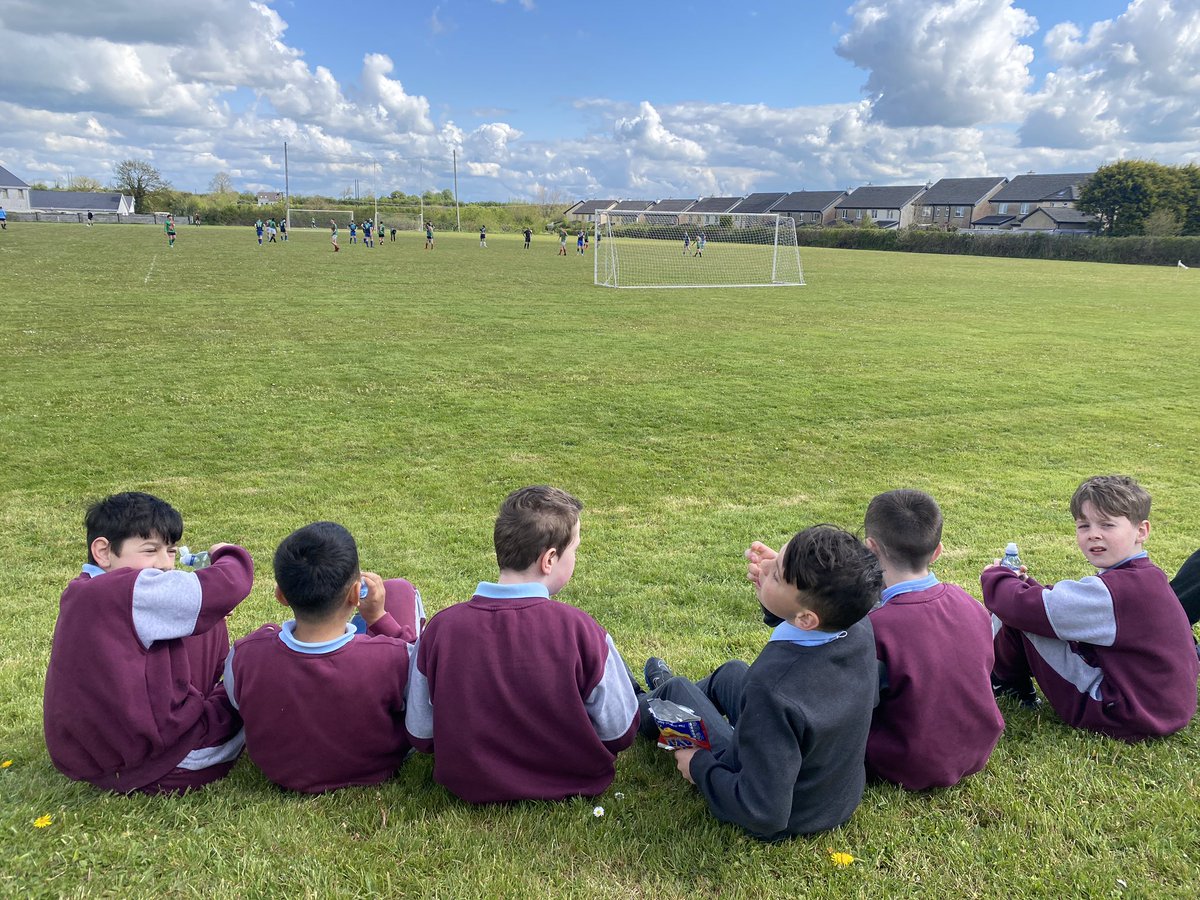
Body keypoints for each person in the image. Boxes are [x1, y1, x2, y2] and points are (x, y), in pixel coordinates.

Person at [637, 525, 881, 841]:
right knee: (731, 674)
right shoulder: (855, 622)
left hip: (792, 813)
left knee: (676, 690)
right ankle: (662, 697)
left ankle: (637, 706)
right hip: (829, 794)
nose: (765, 567)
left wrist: (699, 767)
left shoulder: (774, 689)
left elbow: (765, 812)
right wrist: (775, 588)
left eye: (777, 573)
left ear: (807, 618)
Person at [405, 486, 639, 803]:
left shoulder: (439, 631)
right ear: (550, 559)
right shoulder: (582, 631)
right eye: (575, 550)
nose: (576, 559)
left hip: (469, 785)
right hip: (573, 783)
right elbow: (619, 731)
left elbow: (420, 733)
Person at [43, 492, 253, 794]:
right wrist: (229, 553)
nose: (165, 564)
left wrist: (210, 608)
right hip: (161, 765)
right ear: (103, 551)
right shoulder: (126, 590)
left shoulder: (83, 590)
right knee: (256, 664)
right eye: (150, 550)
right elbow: (230, 583)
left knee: (207, 620)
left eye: (169, 551)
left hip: (88, 758)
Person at [983, 475, 1199, 741]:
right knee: (1031, 608)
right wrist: (1025, 585)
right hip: (1159, 707)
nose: (1094, 534)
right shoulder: (1146, 578)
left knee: (1019, 614)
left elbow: (1024, 609)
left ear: (1142, 531)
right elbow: (1059, 605)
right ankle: (1007, 682)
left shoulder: (1118, 590)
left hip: (1123, 713)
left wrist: (997, 577)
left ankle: (1006, 685)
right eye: (1083, 525)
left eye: (1107, 524)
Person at [225, 522, 422, 793]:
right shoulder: (392, 656)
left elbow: (238, 701)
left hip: (281, 771)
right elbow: (421, 680)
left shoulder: (246, 653)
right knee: (400, 591)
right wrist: (379, 618)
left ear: (280, 595)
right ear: (356, 593)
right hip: (377, 766)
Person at [856, 490, 1003, 790]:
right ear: (937, 552)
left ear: (870, 549)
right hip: (977, 750)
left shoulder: (876, 628)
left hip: (903, 761)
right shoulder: (970, 604)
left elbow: (854, 704)